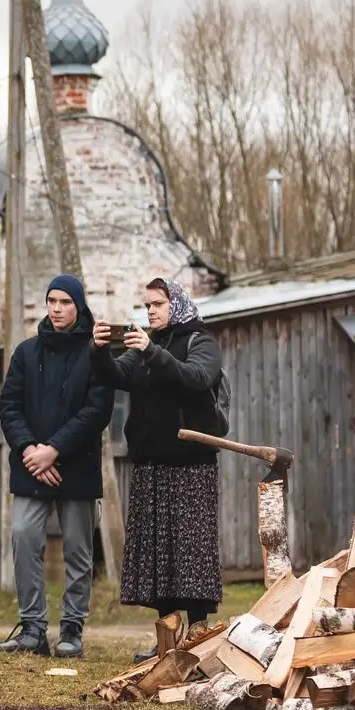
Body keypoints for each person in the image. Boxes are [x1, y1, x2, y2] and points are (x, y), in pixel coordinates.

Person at [93, 276, 224, 660]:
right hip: (151, 464)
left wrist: (153, 352)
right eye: (147, 305)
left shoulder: (200, 341)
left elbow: (197, 378)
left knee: (191, 553)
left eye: (157, 305)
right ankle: (167, 642)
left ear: (176, 304)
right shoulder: (145, 344)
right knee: (159, 556)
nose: (149, 311)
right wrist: (99, 350)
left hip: (190, 464)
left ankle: (199, 638)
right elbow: (116, 376)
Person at [0, 274, 116, 659]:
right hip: (31, 465)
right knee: (24, 537)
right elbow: (9, 405)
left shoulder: (95, 352)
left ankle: (72, 629)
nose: (57, 308)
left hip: (75, 467)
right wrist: (32, 449)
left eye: (65, 301)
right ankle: (32, 628)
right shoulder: (26, 353)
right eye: (51, 301)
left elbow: (97, 411)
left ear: (78, 306)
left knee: (79, 550)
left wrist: (55, 450)